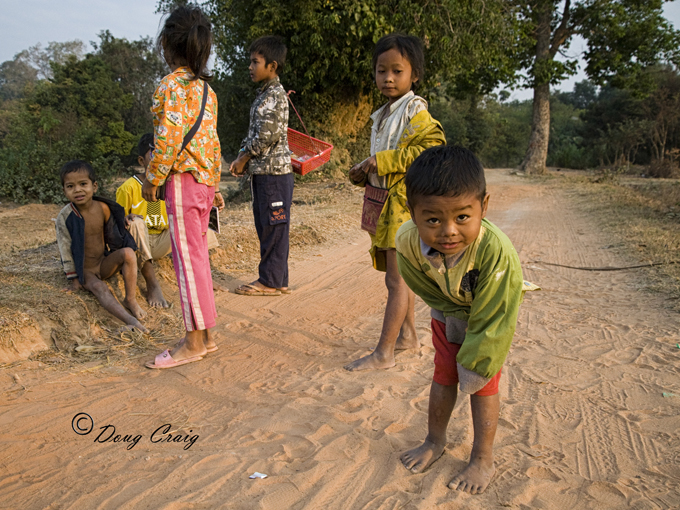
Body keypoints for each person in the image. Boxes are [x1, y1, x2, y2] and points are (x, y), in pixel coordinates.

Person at [396, 146, 535, 494]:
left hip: (490, 316)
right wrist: (449, 313)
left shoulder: (496, 251)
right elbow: (418, 282)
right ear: (412, 212)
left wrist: (474, 359)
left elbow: (496, 318)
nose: (448, 232)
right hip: (449, 310)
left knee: (480, 381)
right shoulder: (407, 242)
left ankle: (482, 458)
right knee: (443, 375)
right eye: (432, 220)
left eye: (461, 217)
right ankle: (434, 440)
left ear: (483, 206)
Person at [344, 34, 446, 371]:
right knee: (399, 276)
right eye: (381, 71)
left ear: (414, 74)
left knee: (397, 281)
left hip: (402, 207)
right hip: (384, 204)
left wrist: (382, 162)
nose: (388, 78)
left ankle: (383, 353)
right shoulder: (385, 113)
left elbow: (431, 149)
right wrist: (365, 169)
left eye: (397, 71)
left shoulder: (415, 109)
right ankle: (408, 337)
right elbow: (387, 156)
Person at [142, 5, 225, 369]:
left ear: (166, 45)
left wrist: (152, 179)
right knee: (199, 259)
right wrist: (216, 182)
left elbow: (168, 142)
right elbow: (213, 142)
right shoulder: (207, 90)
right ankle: (205, 335)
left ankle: (193, 342)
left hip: (182, 183)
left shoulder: (169, 87)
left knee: (187, 262)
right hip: (205, 182)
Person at [117, 133, 220, 309]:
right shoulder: (128, 187)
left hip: (164, 240)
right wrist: (126, 219)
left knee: (199, 224)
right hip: (140, 243)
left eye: (164, 154)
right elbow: (118, 224)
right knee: (135, 223)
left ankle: (204, 275)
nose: (161, 159)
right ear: (142, 161)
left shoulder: (172, 184)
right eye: (155, 154)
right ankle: (152, 283)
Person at [230, 35, 294, 297]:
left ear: (272, 66)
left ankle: (269, 281)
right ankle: (278, 280)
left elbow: (266, 135)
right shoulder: (266, 95)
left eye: (255, 61)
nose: (250, 66)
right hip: (267, 174)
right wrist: (242, 156)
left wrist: (244, 157)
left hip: (273, 175)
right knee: (272, 226)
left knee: (272, 226)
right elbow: (258, 132)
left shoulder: (273, 96)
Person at [55, 160, 147, 333]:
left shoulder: (103, 208)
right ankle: (130, 320)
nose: (78, 190)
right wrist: (74, 279)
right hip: (86, 271)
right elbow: (65, 249)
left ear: (94, 186)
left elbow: (114, 236)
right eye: (70, 186)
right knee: (100, 287)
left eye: (83, 184)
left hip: (103, 263)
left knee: (128, 253)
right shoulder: (65, 217)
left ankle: (131, 300)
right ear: (64, 191)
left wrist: (125, 220)